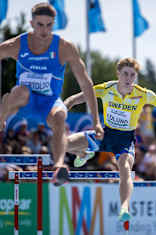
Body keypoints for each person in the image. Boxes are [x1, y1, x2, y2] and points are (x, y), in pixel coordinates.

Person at [64, 58, 156, 223]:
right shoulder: (107, 88)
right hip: (104, 134)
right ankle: (83, 152)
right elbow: (80, 97)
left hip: (125, 141)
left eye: (132, 75)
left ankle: (124, 207)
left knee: (125, 168)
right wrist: (66, 104)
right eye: (125, 74)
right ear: (118, 74)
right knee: (64, 144)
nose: (128, 78)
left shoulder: (142, 94)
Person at [0, 3, 103, 186]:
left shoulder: (64, 48)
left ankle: (59, 167)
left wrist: (96, 121)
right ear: (31, 23)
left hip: (49, 103)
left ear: (54, 24)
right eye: (40, 25)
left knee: (61, 115)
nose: (44, 31)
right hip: (25, 101)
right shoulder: (17, 44)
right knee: (19, 91)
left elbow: (87, 85)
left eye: (49, 25)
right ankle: (1, 120)